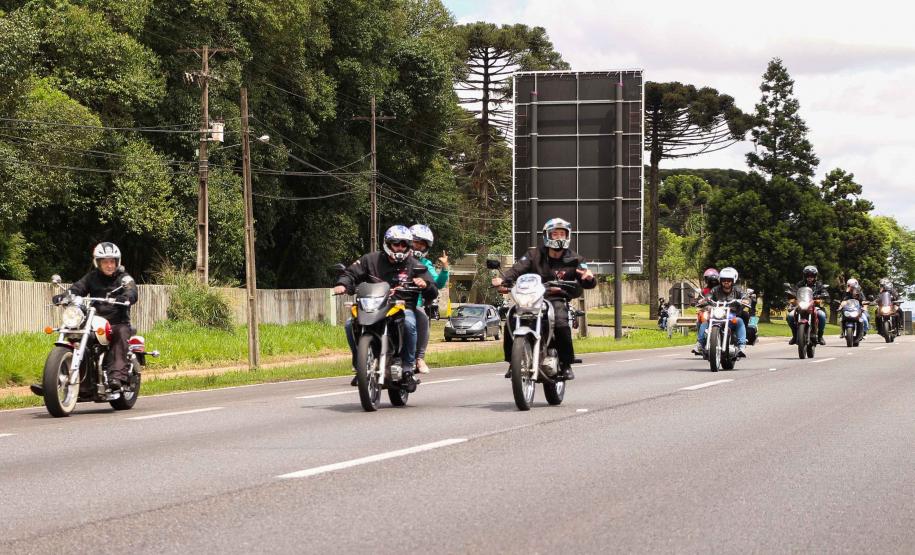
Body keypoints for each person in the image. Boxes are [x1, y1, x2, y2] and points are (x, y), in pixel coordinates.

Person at [492, 218, 596, 380]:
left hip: (556, 298)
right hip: (532, 297)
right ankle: (513, 362)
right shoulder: (534, 255)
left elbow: (586, 280)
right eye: (555, 234)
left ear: (567, 236)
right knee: (512, 317)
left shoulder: (576, 259)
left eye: (562, 234)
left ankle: (566, 363)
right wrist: (503, 280)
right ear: (547, 235)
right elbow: (517, 269)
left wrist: (589, 278)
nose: (559, 237)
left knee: (560, 322)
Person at [333, 225, 437, 383]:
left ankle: (408, 368)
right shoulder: (370, 260)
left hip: (401, 308)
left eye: (404, 244)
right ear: (388, 244)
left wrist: (426, 284)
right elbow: (350, 273)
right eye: (396, 244)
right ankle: (360, 364)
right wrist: (343, 284)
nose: (400, 248)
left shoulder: (414, 264)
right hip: (372, 306)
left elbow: (433, 290)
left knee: (409, 324)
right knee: (349, 324)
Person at [63, 242, 138, 391]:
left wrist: (126, 297)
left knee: (121, 333)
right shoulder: (92, 277)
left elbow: (132, 290)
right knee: (78, 336)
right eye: (105, 262)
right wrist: (66, 295)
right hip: (95, 322)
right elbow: (78, 288)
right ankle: (81, 384)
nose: (109, 265)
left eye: (112, 261)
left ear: (117, 262)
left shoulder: (124, 278)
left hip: (117, 321)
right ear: (98, 263)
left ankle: (116, 377)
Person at [409, 224, 450, 374]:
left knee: (423, 319)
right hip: (390, 300)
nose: (418, 246)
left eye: (422, 244)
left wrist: (445, 268)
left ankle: (419, 358)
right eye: (416, 242)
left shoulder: (425, 264)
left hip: (413, 303)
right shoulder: (395, 259)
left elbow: (436, 284)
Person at [693, 266, 748, 358]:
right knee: (705, 322)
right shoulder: (715, 289)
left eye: (729, 280)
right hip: (717, 315)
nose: (726, 282)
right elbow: (708, 296)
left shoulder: (737, 290)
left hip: (730, 316)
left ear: (733, 280)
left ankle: (741, 346)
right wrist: (703, 300)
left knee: (739, 321)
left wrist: (745, 300)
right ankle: (700, 344)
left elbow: (745, 296)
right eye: (724, 280)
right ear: (720, 280)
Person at [787, 265, 829, 346]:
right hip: (801, 305)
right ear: (805, 276)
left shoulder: (819, 285)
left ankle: (820, 336)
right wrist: (791, 293)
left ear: (815, 276)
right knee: (790, 316)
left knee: (822, 315)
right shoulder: (800, 284)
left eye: (812, 276)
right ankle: (795, 336)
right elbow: (794, 291)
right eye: (808, 276)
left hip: (815, 306)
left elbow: (825, 292)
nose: (810, 277)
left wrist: (823, 294)